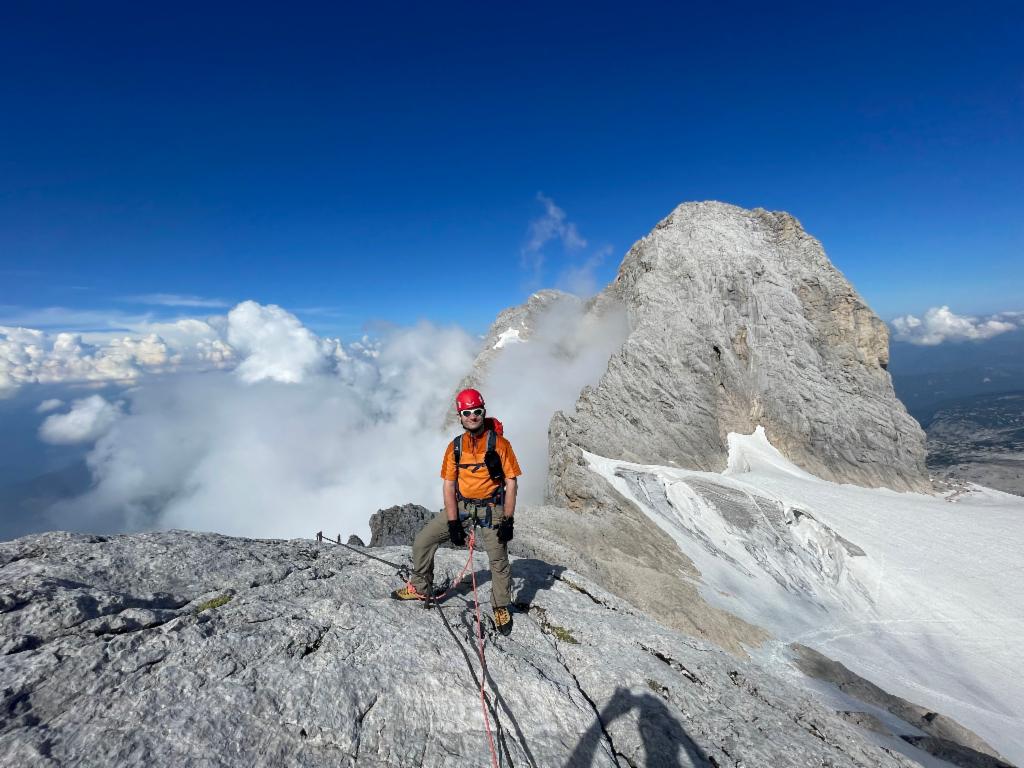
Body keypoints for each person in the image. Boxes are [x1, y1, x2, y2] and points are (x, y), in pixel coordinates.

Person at [392, 388, 522, 634]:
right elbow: (449, 484)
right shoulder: (455, 447)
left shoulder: (501, 445)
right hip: (463, 505)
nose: (473, 416)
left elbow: (512, 482)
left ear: (483, 412)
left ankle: (501, 605)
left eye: (477, 412)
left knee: (498, 560)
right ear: (460, 417)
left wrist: (507, 519)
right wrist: (453, 523)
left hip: (492, 507)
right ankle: (420, 586)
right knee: (423, 541)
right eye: (467, 412)